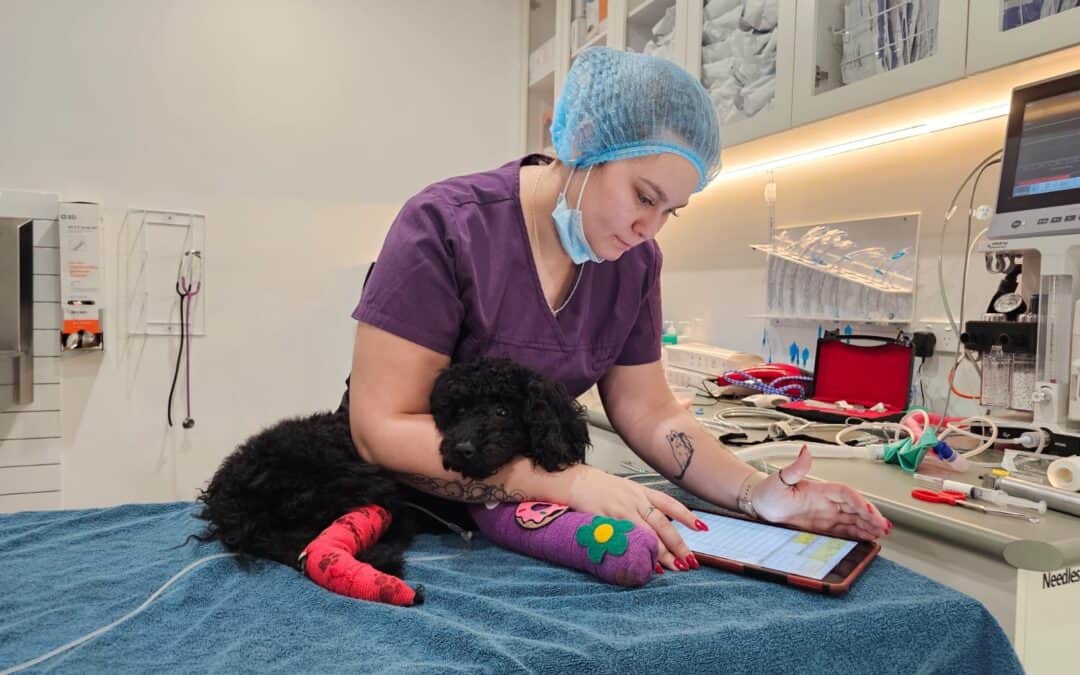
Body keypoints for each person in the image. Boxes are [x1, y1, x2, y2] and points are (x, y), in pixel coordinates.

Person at [345, 47, 889, 573]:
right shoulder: (446, 226)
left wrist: (753, 492)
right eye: (644, 197)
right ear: (584, 143)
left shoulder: (635, 263)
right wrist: (567, 482)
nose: (647, 229)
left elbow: (650, 410)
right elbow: (381, 428)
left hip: (526, 524)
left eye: (670, 211)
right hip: (403, 520)